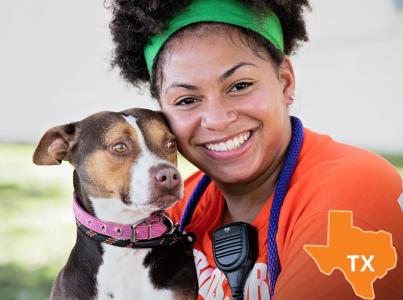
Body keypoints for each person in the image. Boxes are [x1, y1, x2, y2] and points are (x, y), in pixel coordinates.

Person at [109, 0, 403, 299]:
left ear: (285, 82)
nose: (218, 119)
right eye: (186, 100)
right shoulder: (175, 215)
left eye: (240, 86)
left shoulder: (353, 191)